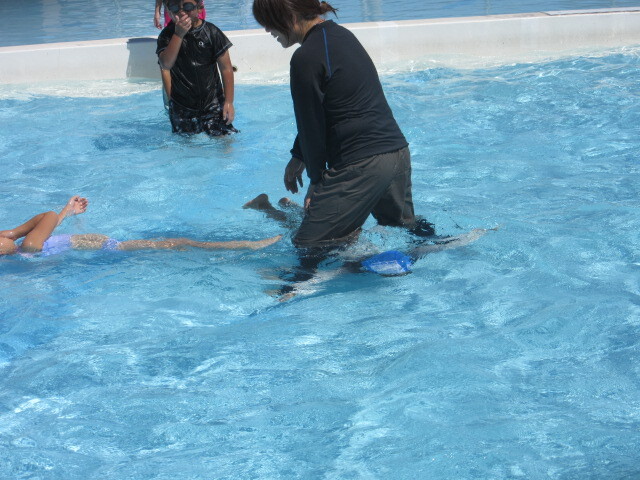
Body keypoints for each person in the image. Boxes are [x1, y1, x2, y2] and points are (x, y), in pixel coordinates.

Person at [252, 0, 434, 250]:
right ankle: (439, 242)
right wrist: (299, 155)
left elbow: (311, 124)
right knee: (403, 231)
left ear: (289, 16)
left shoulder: (305, 57)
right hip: (396, 154)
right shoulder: (342, 36)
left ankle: (324, 271)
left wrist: (317, 181)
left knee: (309, 247)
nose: (266, 29)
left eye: (268, 22)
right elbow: (333, 105)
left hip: (362, 165)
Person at [0, 196, 281, 257]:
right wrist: (15, 232)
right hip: (114, 249)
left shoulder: (26, 249)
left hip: (109, 249)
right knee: (181, 242)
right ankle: (246, 245)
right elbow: (47, 217)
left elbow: (49, 220)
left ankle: (243, 246)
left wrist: (68, 211)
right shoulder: (29, 245)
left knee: (181, 245)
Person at [157, 0, 238, 136]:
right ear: (168, 11)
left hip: (213, 103)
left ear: (199, 8)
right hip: (182, 108)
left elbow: (226, 68)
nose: (182, 12)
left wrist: (229, 102)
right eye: (175, 7)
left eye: (187, 6)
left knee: (225, 141)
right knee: (186, 145)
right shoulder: (166, 36)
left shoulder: (211, 32)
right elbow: (166, 64)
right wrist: (178, 35)